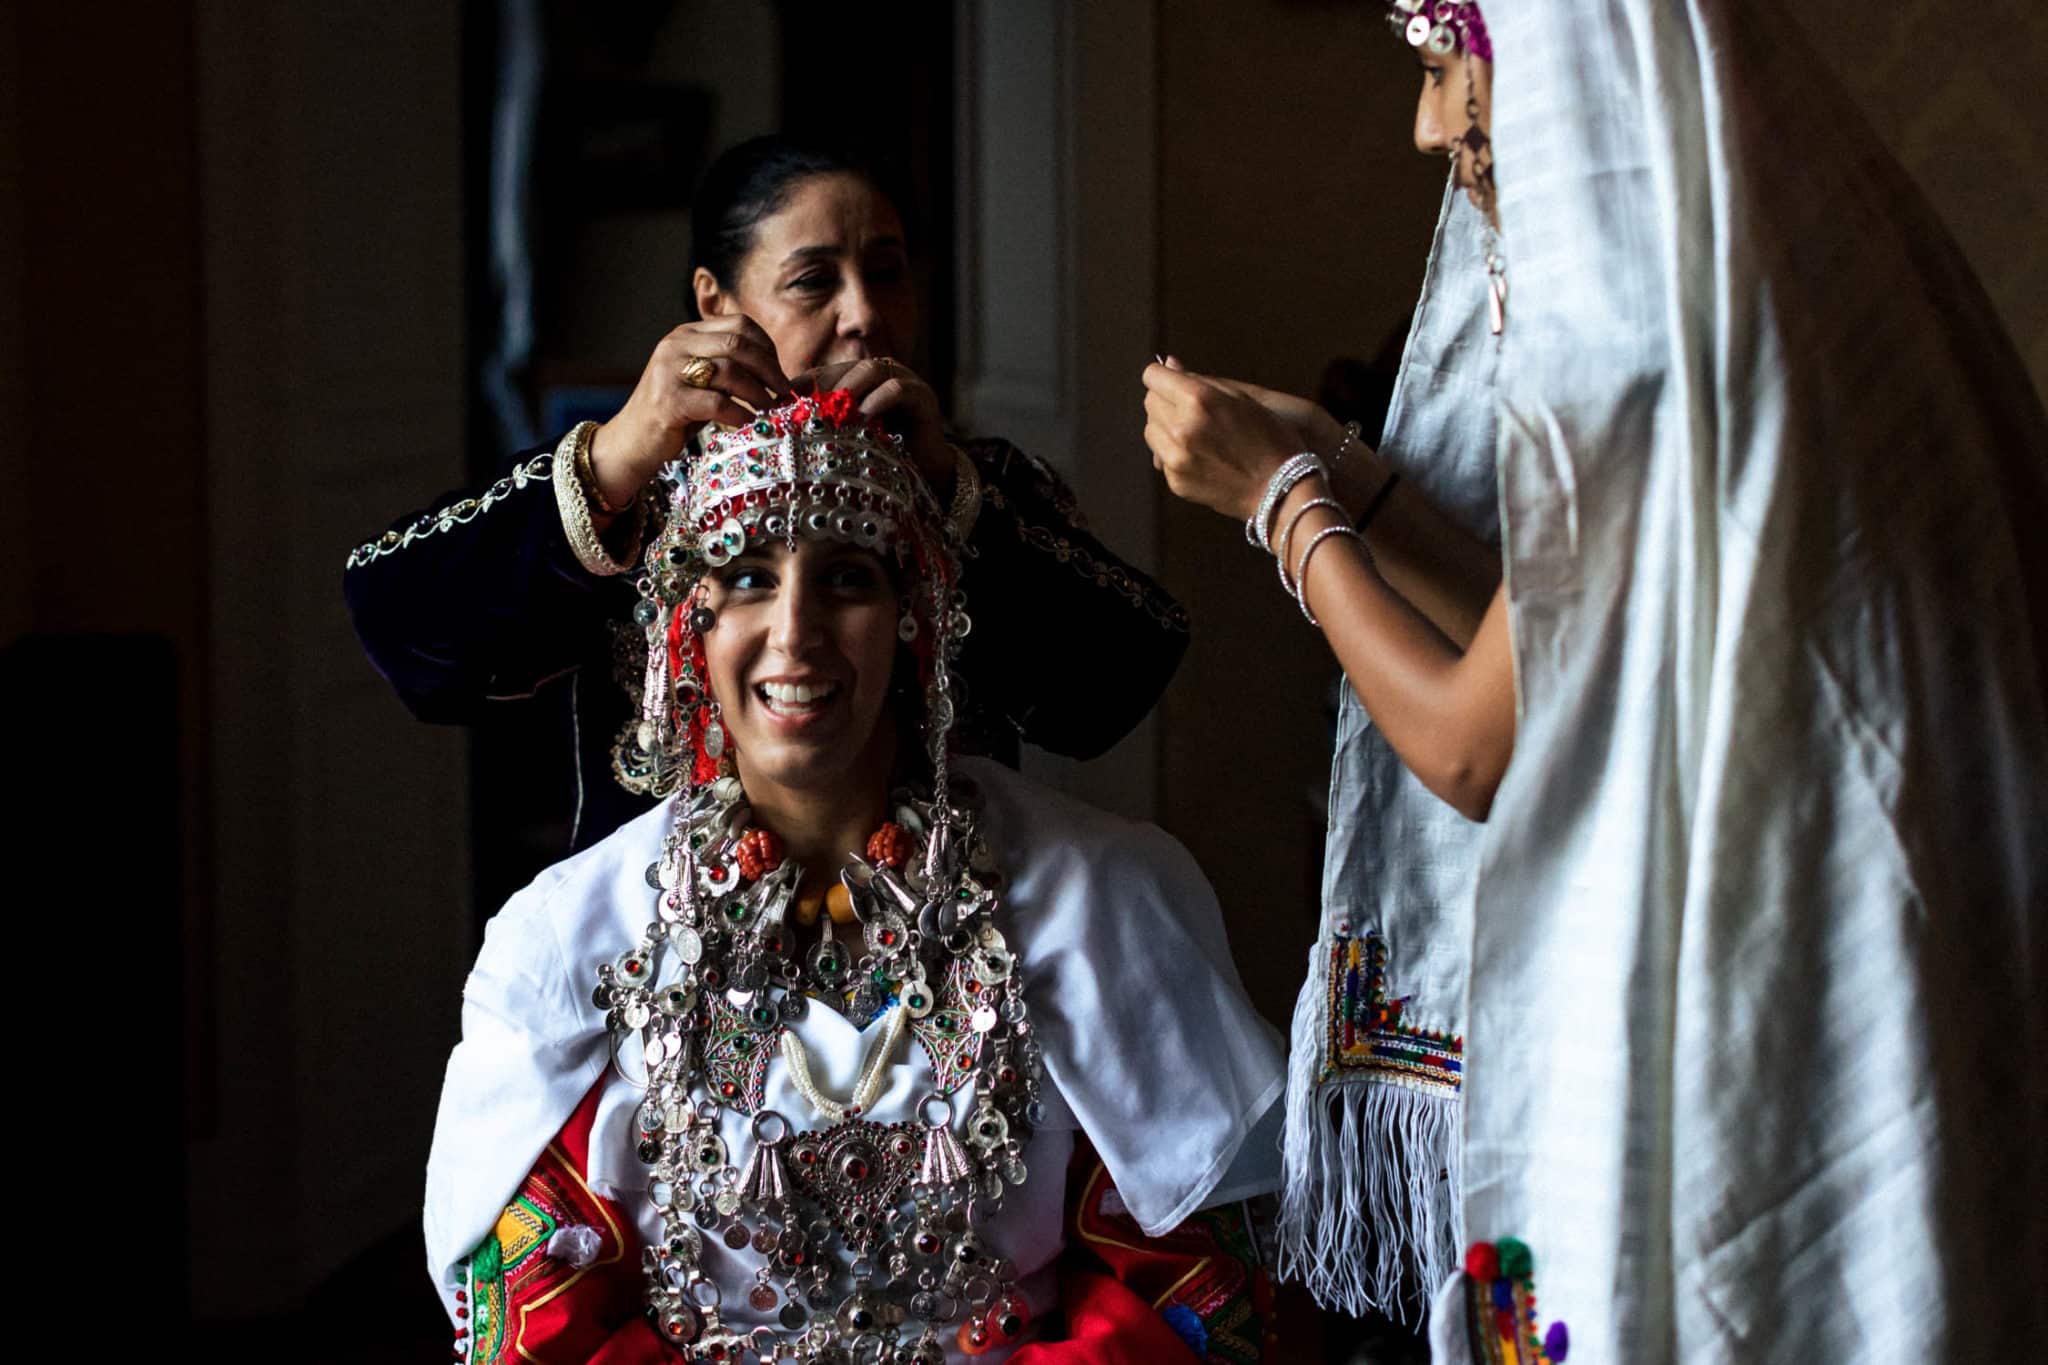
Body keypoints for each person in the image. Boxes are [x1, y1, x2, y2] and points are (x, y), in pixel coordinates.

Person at [1143, 0, 2048, 1358]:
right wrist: (1347, 467)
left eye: (1451, 67)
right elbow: (1564, 635)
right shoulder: (1769, 272)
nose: (1431, 123)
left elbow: (1472, 745)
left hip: (1763, 1011)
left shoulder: (1654, 340)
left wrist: (1277, 506)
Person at [425, 395, 1289, 1363]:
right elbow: (532, 1306)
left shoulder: (1102, 894)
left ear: (913, 620)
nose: (795, 635)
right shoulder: (568, 932)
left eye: (844, 581)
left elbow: (1194, 1292)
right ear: (689, 629)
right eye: (748, 578)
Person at [344, 136, 1187, 852]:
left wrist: (949, 498)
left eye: (887, 273)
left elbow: (1117, 684)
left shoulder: (973, 482)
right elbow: (402, 626)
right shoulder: (642, 497)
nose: (865, 315)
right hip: (677, 980)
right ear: (716, 301)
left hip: (941, 983)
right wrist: (619, 456)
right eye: (814, 281)